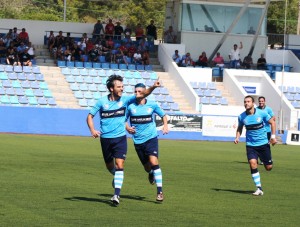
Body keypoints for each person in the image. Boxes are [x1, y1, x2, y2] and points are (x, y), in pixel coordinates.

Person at [86, 75, 160, 206]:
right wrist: (92, 130)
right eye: (119, 87)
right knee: (110, 167)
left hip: (120, 138)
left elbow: (143, 94)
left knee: (120, 165)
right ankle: (115, 176)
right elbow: (90, 116)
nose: (122, 88)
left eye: (122, 86)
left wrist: (153, 86)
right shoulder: (101, 102)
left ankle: (116, 195)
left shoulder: (125, 100)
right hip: (105, 139)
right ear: (111, 88)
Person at [126, 83, 169, 202]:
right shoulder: (130, 106)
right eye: (135, 91)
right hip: (138, 140)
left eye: (139, 91)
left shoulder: (152, 104)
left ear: (145, 92)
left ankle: (160, 191)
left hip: (151, 137)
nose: (137, 93)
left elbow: (163, 115)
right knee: (147, 167)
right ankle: (150, 172)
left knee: (154, 161)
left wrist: (165, 126)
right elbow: (123, 120)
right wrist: (128, 127)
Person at [234, 95, 277, 196]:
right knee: (253, 163)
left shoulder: (262, 113)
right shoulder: (241, 116)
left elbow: (272, 123)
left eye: (248, 101)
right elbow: (240, 128)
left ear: (253, 103)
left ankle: (268, 161)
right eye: (245, 102)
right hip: (250, 145)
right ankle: (259, 188)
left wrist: (273, 137)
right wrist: (237, 137)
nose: (246, 103)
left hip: (263, 144)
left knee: (269, 167)